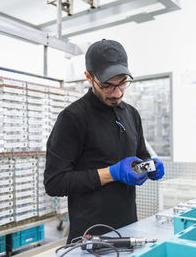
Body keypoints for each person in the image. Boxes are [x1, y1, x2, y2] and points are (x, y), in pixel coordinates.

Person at [44, 39, 165, 243]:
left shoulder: (131, 114)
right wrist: (112, 173)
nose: (117, 93)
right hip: (90, 236)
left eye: (122, 83)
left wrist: (149, 165)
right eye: (107, 85)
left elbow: (141, 154)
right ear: (89, 78)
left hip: (129, 229)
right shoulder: (73, 118)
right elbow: (54, 183)